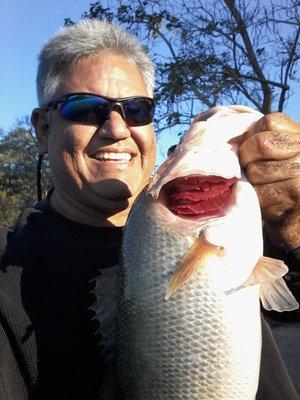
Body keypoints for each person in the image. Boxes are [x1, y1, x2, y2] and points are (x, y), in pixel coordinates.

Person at [0, 18, 299, 400]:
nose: (117, 128)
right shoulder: (7, 267)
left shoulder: (246, 228)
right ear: (43, 129)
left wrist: (294, 230)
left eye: (137, 109)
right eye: (87, 108)